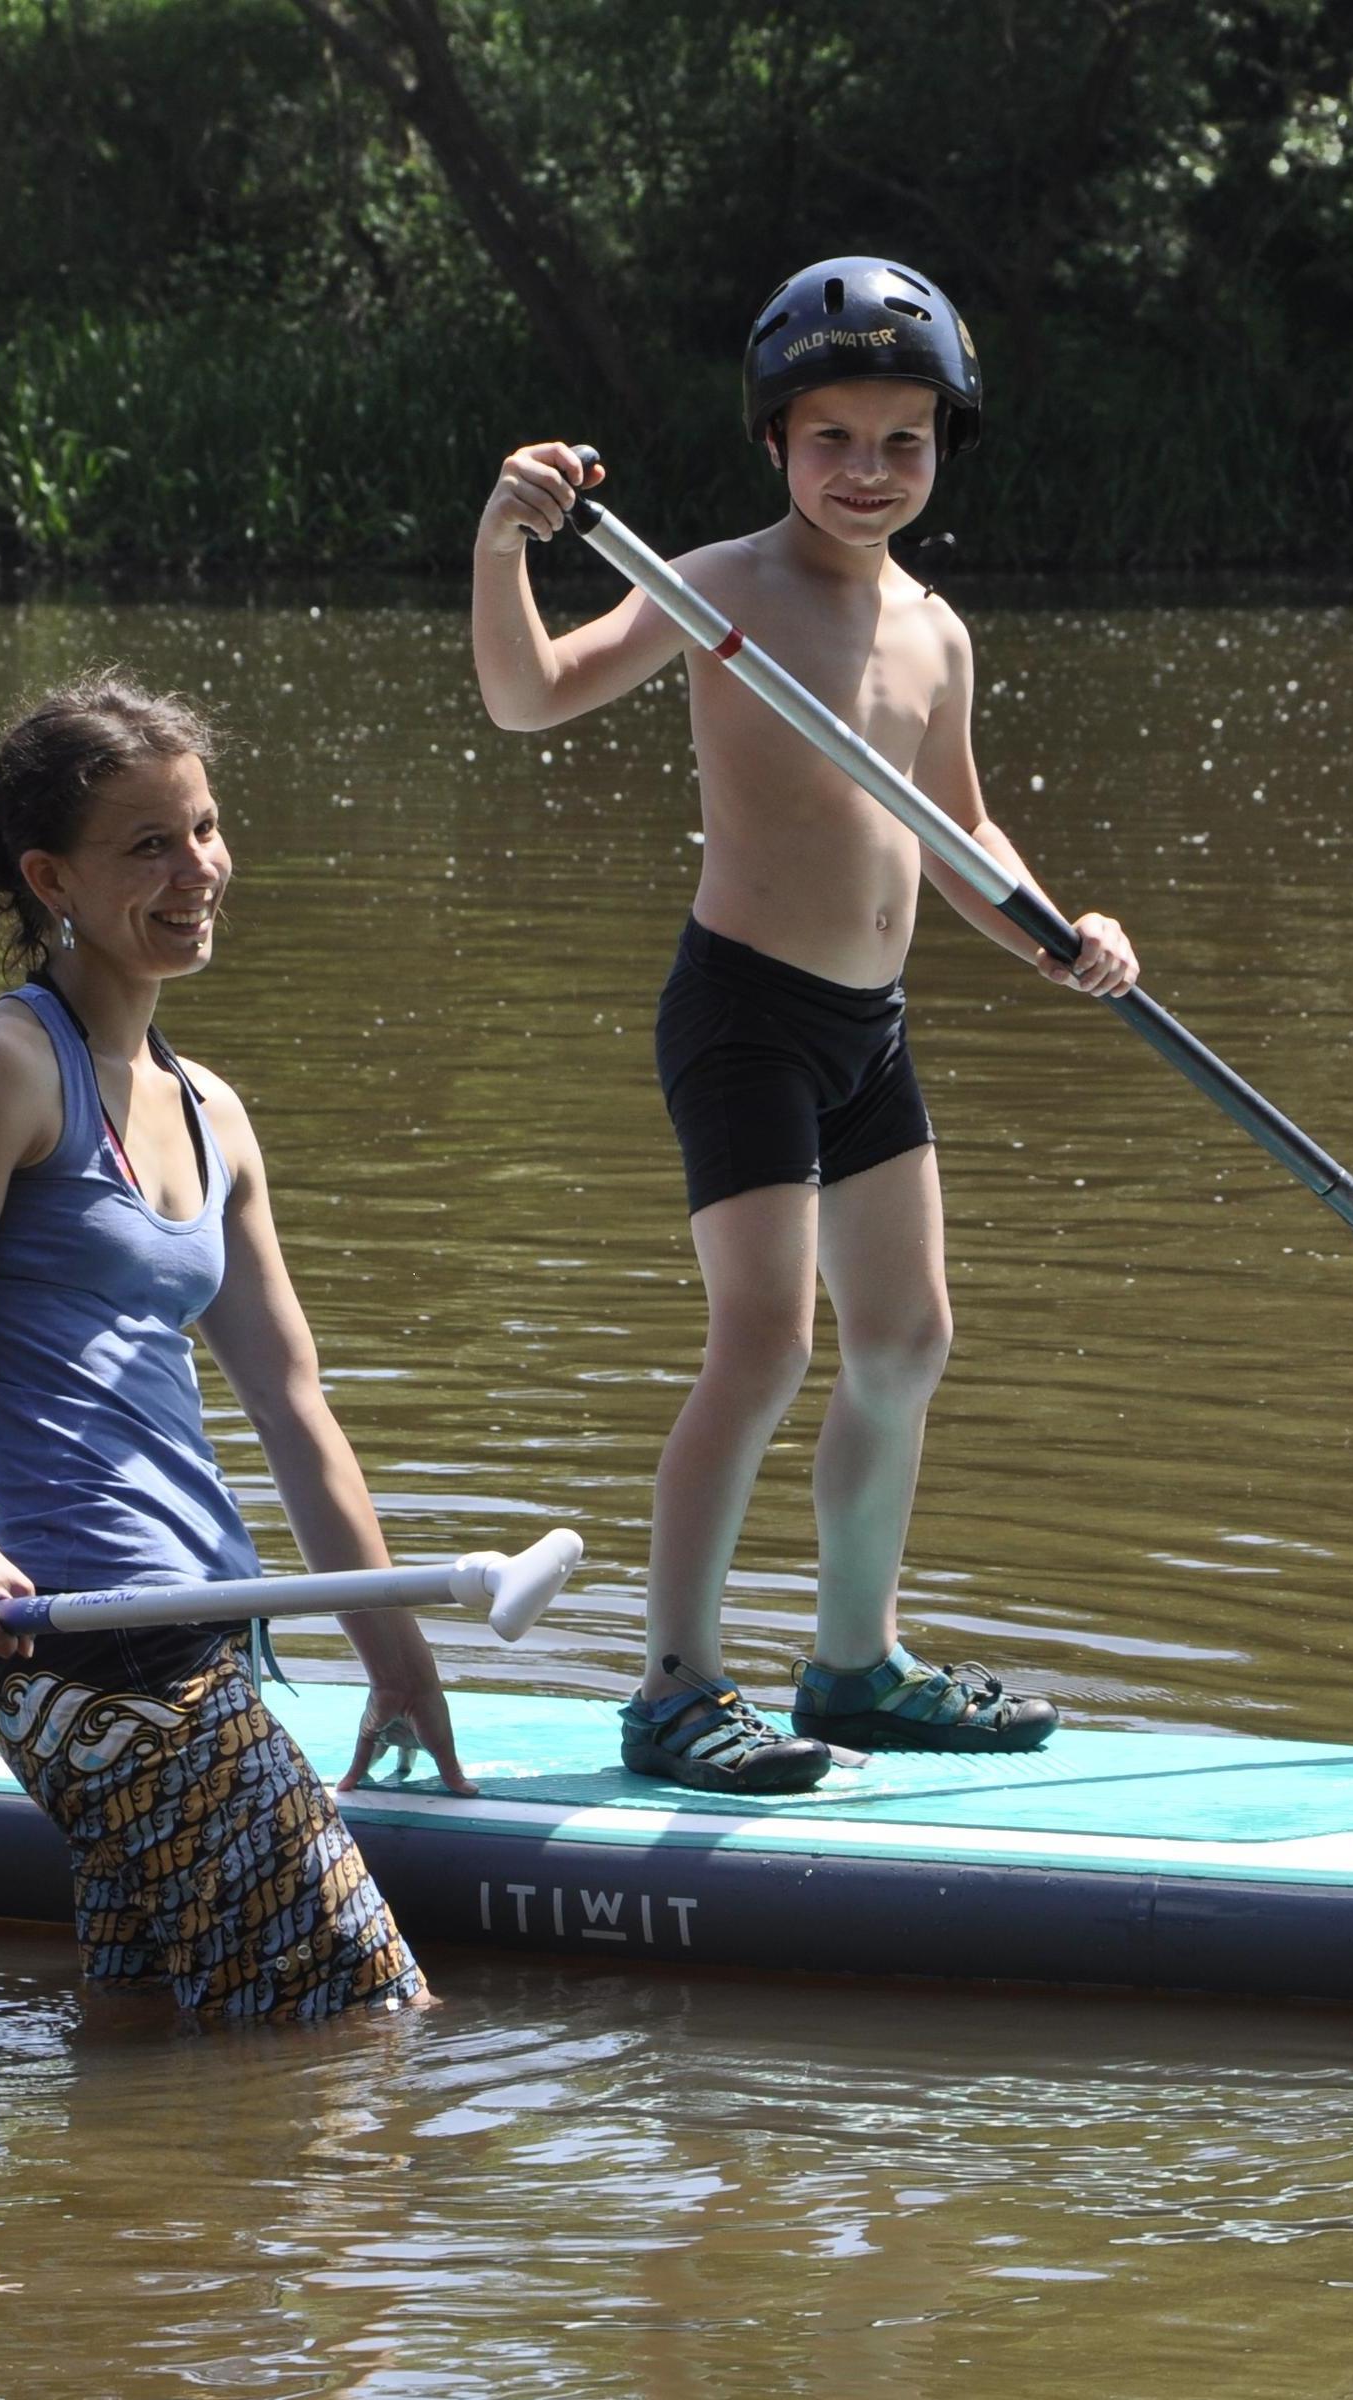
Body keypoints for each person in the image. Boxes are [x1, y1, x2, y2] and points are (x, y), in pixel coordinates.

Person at [469, 256, 1140, 1796]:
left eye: (903, 440)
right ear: (775, 440)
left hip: (870, 1031)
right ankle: (675, 1688)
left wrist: (1066, 935)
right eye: (831, 437)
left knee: (907, 1339)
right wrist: (505, 540)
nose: (867, 469)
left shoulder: (935, 631)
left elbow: (964, 835)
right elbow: (530, 695)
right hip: (746, 1015)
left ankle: (853, 1666)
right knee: (765, 1342)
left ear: (944, 448)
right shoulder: (717, 586)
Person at [0, 673, 464, 2021]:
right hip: (91, 1646)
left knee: (149, 2032)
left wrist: (396, 1659)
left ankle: (119, 2176)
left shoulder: (213, 1112)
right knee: (374, 2034)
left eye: (204, 827)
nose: (198, 870)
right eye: (149, 844)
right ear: (49, 879)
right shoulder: (2, 1069)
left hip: (202, 1637)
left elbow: (292, 1404)